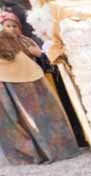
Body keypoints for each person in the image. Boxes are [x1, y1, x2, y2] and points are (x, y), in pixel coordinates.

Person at [0, 30, 80, 164]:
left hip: (12, 75)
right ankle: (60, 148)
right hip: (26, 72)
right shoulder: (7, 34)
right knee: (44, 114)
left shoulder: (6, 35)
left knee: (24, 118)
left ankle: (41, 152)